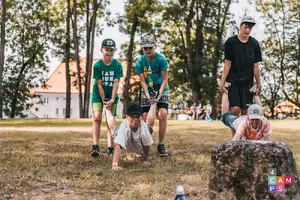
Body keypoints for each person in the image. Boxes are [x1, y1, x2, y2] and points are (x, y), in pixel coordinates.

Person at [219, 16, 263, 116]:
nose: (247, 30)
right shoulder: (231, 42)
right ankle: (235, 132)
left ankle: (242, 132)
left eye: (250, 28)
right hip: (233, 81)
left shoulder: (254, 44)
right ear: (240, 26)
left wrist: (258, 84)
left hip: (248, 83)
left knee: (245, 112)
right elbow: (227, 63)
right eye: (245, 27)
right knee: (235, 109)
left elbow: (255, 66)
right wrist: (222, 82)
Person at [135, 35, 170, 156]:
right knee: (144, 117)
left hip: (161, 89)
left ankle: (161, 144)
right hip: (148, 90)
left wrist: (159, 95)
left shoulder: (161, 60)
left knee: (162, 114)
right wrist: (147, 94)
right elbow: (142, 80)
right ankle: (144, 144)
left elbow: (165, 80)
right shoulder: (140, 61)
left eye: (150, 47)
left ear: (154, 47)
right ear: (142, 49)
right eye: (145, 48)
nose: (148, 50)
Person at [90, 38, 123, 157]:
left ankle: (110, 147)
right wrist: (104, 100)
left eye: (111, 50)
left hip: (112, 95)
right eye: (107, 50)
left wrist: (112, 100)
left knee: (110, 120)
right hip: (98, 95)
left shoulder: (117, 65)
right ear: (101, 50)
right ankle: (95, 146)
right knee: (97, 117)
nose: (109, 52)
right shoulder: (97, 65)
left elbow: (116, 84)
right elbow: (99, 84)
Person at [105, 104, 155, 171]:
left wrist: (145, 159)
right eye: (132, 117)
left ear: (142, 117)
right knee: (113, 129)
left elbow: (146, 145)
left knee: (149, 127)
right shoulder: (124, 127)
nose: (135, 120)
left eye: (137, 117)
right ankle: (107, 109)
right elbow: (118, 146)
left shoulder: (143, 127)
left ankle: (153, 104)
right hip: (122, 133)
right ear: (127, 117)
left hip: (143, 130)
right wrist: (114, 164)